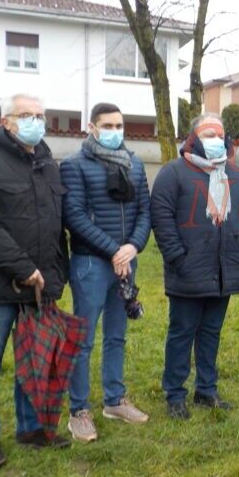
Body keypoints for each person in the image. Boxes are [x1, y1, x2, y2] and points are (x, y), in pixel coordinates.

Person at [0, 93, 70, 469]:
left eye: (41, 115)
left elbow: (55, 225)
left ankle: (31, 428)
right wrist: (22, 268)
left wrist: (57, 274)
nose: (36, 121)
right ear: (6, 122)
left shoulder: (48, 162)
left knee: (33, 362)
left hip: (39, 287)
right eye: (27, 115)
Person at [151, 113, 239, 418]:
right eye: (207, 133)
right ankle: (175, 394)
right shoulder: (173, 173)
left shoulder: (235, 177)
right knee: (182, 332)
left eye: (219, 134)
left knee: (211, 332)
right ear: (194, 138)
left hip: (224, 271)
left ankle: (206, 390)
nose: (215, 139)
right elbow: (162, 218)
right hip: (187, 270)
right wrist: (177, 257)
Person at [60, 102, 152, 441]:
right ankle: (79, 411)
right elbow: (75, 217)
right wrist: (113, 250)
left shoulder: (135, 163)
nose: (116, 131)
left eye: (119, 125)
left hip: (127, 261)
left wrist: (133, 247)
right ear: (92, 127)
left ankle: (114, 400)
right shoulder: (74, 165)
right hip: (90, 264)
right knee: (83, 340)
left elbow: (145, 211)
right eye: (108, 126)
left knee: (117, 335)